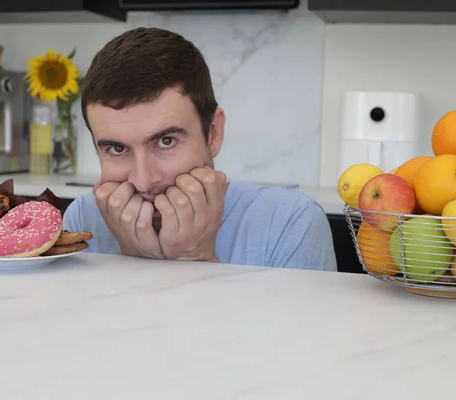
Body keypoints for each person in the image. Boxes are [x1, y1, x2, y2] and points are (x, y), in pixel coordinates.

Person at [63, 27, 338, 271]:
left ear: (213, 133)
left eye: (166, 141)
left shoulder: (291, 222)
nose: (144, 181)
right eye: (116, 148)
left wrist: (195, 260)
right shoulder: (83, 220)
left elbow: (296, 331)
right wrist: (132, 262)